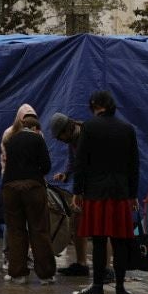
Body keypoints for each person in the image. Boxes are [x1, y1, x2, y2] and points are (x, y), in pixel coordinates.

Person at [70, 89, 139, 294]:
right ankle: (120, 288)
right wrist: (132, 194)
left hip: (96, 193)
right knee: (120, 241)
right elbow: (134, 165)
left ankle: (97, 287)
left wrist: (77, 191)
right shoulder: (127, 129)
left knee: (99, 241)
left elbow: (80, 161)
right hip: (120, 193)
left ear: (94, 105)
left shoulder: (89, 127)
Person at [1, 106, 56, 284]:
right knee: (39, 229)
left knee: (16, 230)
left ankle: (18, 274)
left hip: (10, 188)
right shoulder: (38, 139)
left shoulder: (10, 139)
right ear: (35, 128)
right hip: (33, 187)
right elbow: (46, 166)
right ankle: (46, 275)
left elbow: (6, 164)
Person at [49, 112, 92, 278]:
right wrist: (65, 174)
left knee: (100, 227)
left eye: (60, 136)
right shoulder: (72, 138)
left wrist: (78, 192)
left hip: (93, 186)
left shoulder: (87, 135)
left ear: (68, 128)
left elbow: (84, 166)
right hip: (82, 186)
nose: (60, 140)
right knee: (77, 221)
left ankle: (106, 269)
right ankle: (81, 264)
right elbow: (73, 161)